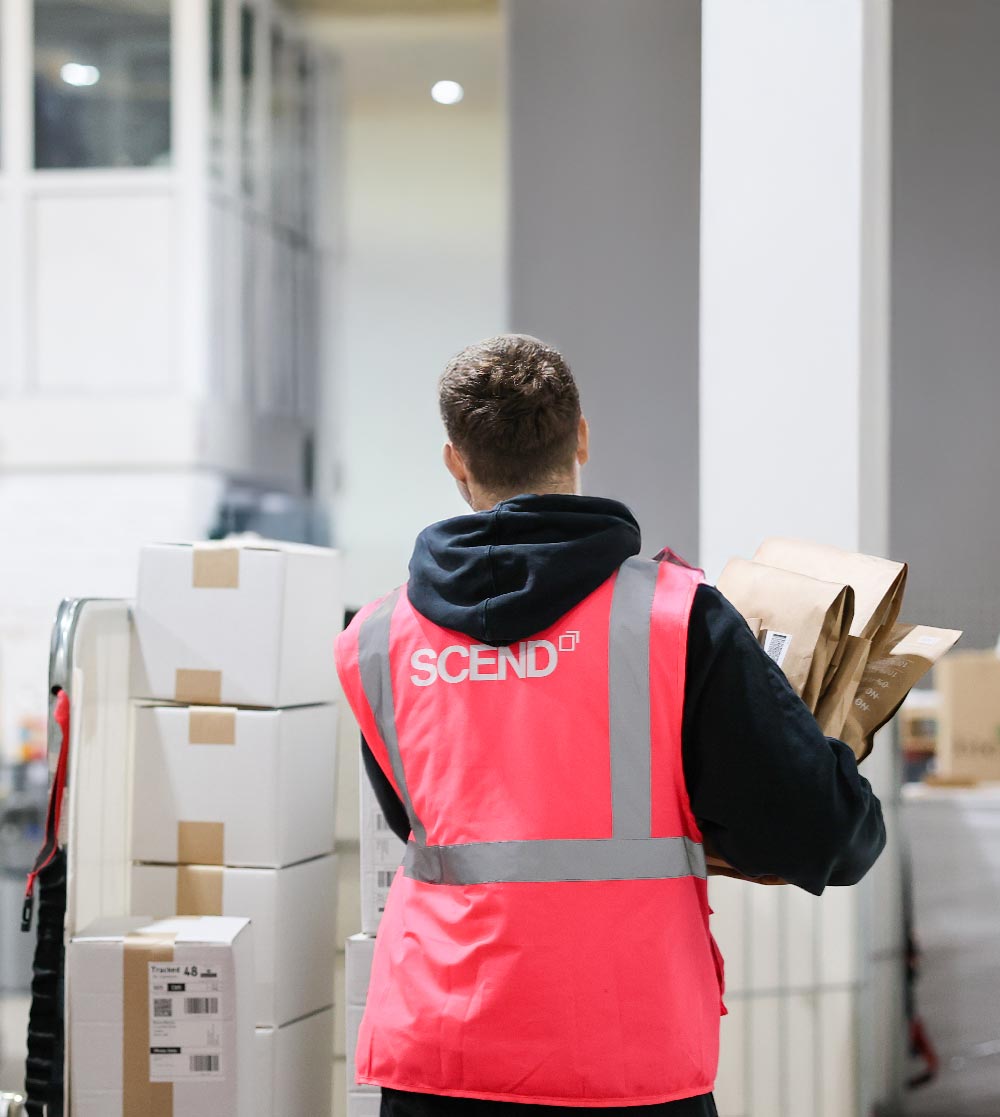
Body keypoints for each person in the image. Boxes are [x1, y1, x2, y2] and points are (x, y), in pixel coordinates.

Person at [335, 334, 886, 1117]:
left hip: (439, 1061)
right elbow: (820, 828)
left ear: (455, 461)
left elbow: (420, 820)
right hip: (625, 1062)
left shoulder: (381, 636)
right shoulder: (673, 618)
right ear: (581, 436)